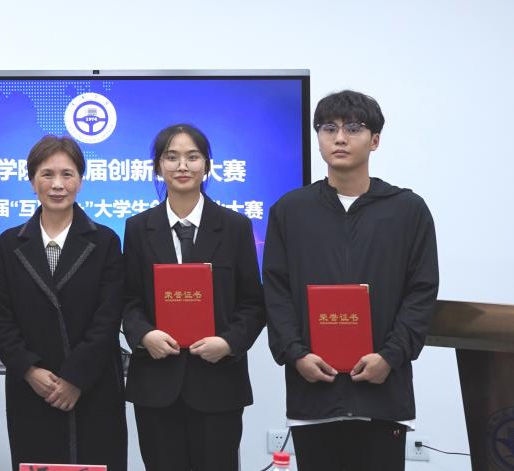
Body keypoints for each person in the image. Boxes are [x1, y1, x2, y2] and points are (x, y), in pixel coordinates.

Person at [263, 90, 439, 471]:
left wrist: (390, 356)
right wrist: (297, 354)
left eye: (353, 128)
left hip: (382, 392)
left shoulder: (407, 210)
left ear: (375, 140)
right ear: (318, 138)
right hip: (314, 390)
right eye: (329, 129)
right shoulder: (290, 211)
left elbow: (421, 292)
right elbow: (276, 293)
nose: (339, 138)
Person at [121, 124, 266, 470]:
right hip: (156, 383)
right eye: (171, 157)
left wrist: (228, 342)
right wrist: (144, 335)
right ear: (158, 167)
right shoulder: (138, 228)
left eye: (192, 157)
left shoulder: (235, 227)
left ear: (207, 165)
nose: (182, 166)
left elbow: (253, 303)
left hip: (218, 381)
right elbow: (128, 299)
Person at [0, 135, 126, 470]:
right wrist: (29, 369)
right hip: (32, 389)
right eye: (47, 174)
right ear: (32, 180)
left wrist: (75, 378)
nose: (57, 185)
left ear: (81, 180)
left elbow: (108, 317)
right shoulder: (9, 244)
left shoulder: (105, 241)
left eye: (67, 174)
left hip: (93, 386)